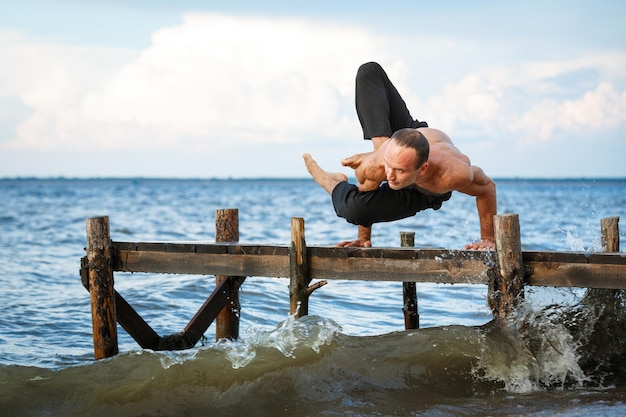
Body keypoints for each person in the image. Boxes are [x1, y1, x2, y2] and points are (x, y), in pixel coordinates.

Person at [303, 62, 497, 250]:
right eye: (389, 168)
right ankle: (367, 158)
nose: (390, 176)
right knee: (369, 71)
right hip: (406, 140)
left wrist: (488, 238)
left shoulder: (452, 174)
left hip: (423, 191)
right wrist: (363, 237)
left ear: (423, 168)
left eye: (399, 171)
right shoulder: (380, 165)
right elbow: (366, 192)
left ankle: (337, 180)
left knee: (352, 208)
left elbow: (486, 188)